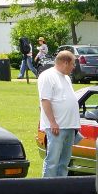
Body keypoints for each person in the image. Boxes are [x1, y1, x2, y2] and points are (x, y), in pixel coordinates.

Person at [39, 48, 79, 176]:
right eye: (72, 64)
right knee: (52, 161)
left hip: (69, 126)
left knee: (64, 162)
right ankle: (47, 186)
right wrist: (52, 122)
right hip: (56, 127)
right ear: (65, 63)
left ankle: (61, 185)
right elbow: (45, 100)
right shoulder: (48, 76)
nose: (73, 67)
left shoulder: (66, 78)